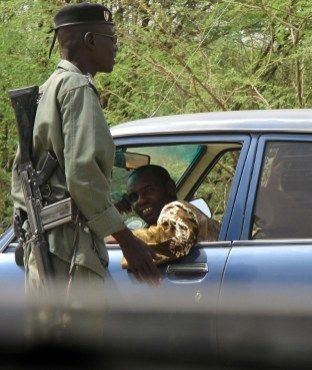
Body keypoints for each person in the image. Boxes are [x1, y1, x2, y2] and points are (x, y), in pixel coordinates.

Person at [11, 3, 160, 304]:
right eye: (112, 38)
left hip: (48, 249)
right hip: (71, 251)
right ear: (91, 40)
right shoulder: (76, 88)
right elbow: (83, 177)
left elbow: (19, 177)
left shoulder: (48, 90)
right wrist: (127, 241)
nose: (116, 47)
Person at [106, 165, 220, 268]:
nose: (140, 201)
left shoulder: (177, 208)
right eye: (133, 197)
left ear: (170, 188)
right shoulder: (171, 217)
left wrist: (122, 237)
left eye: (149, 191)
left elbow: (172, 236)